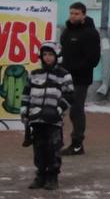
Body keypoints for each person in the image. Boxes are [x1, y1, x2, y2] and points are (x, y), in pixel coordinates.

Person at [21, 41, 74, 190]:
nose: (47, 57)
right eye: (44, 54)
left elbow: (70, 96)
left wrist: (58, 109)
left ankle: (52, 176)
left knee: (53, 148)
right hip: (36, 119)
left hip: (53, 121)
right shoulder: (35, 74)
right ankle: (40, 175)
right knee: (39, 148)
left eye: (51, 54)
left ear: (57, 56)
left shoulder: (64, 75)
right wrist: (25, 111)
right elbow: (26, 94)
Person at [59, 2, 101, 156]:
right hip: (63, 78)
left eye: (76, 13)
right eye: (71, 13)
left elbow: (93, 59)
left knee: (76, 111)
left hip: (80, 79)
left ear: (83, 15)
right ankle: (55, 140)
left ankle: (77, 144)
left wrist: (74, 69)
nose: (72, 16)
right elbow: (62, 53)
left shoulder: (90, 33)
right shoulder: (66, 32)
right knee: (58, 108)